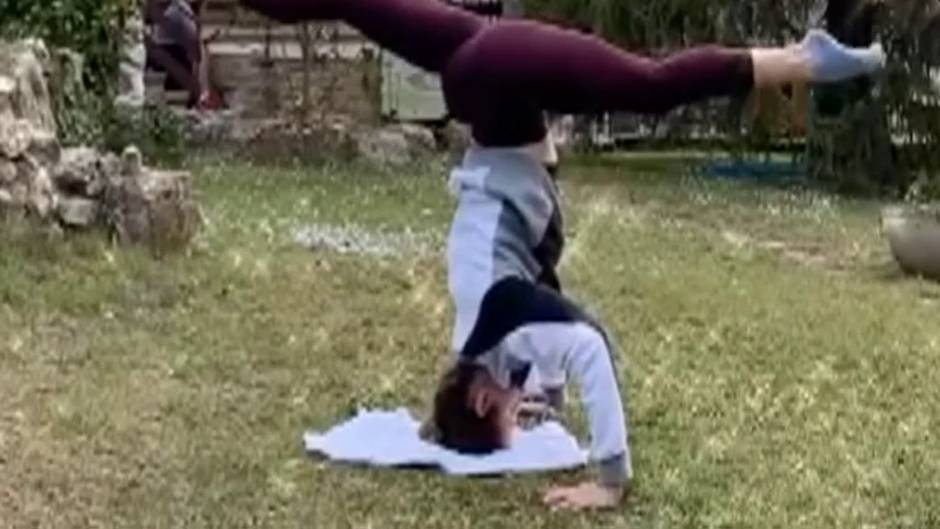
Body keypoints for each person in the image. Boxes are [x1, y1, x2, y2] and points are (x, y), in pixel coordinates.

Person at [237, 0, 886, 511]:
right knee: (358, 5)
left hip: (495, 80)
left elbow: (589, 344)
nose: (526, 415)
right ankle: (802, 56)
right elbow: (530, 331)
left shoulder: (506, 318)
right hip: (478, 72)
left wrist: (610, 477)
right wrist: (533, 394)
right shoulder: (482, 334)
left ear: (486, 401)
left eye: (513, 416)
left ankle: (803, 59)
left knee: (651, 84)